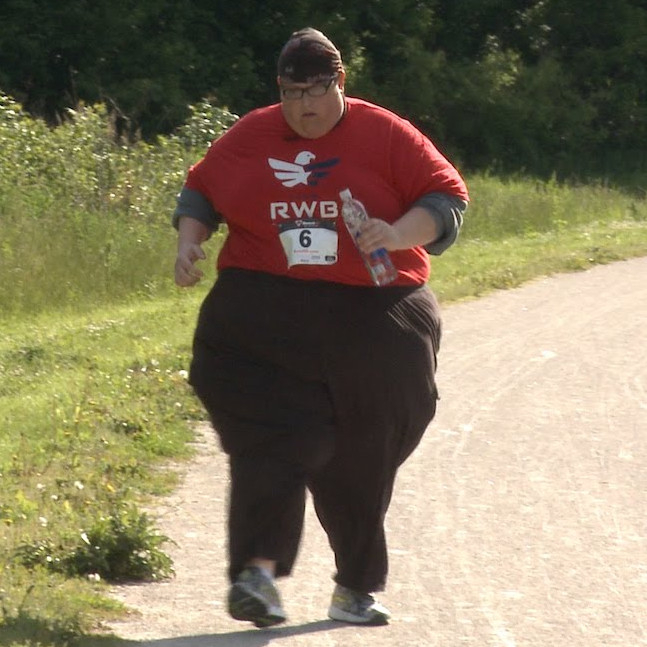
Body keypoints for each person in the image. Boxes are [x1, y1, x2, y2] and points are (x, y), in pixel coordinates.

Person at [172, 27, 469, 628]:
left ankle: (353, 585)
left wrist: (395, 233)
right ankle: (256, 575)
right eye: (291, 92)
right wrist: (188, 241)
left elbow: (446, 201)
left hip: (377, 307)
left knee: (365, 447)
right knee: (276, 439)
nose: (304, 104)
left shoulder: (384, 132)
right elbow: (202, 189)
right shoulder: (254, 132)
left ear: (341, 84)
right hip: (265, 308)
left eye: (316, 89)